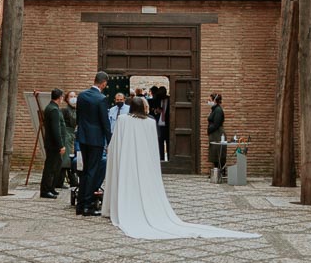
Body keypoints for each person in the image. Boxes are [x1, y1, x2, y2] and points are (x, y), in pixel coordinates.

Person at [102, 97, 259, 240]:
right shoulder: (149, 122)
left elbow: (116, 143)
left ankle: (125, 206)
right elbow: (153, 147)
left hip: (126, 160)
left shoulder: (122, 120)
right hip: (144, 162)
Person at [76, 71, 112, 216]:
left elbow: (78, 117)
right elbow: (105, 123)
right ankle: (87, 205)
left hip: (83, 138)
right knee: (92, 171)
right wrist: (110, 141)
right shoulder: (101, 99)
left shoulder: (82, 96)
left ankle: (80, 205)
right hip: (96, 140)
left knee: (85, 171)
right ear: (103, 83)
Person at [40, 89, 67, 199]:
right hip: (53, 145)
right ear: (60, 97)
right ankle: (45, 190)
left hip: (52, 144)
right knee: (50, 167)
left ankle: (51, 187)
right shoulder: (54, 110)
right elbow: (56, 129)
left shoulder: (51, 107)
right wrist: (60, 145)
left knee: (56, 166)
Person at [60, 91, 79, 188]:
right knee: (66, 158)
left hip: (72, 135)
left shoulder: (76, 110)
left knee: (70, 158)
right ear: (67, 99)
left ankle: (73, 180)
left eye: (75, 96)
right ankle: (60, 181)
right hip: (66, 135)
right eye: (71, 96)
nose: (73, 98)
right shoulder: (65, 111)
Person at [207, 93, 226, 173]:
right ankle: (216, 172)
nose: (208, 101)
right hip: (214, 134)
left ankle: (220, 172)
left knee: (218, 153)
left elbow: (216, 124)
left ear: (215, 100)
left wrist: (209, 130)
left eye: (210, 100)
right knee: (214, 154)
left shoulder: (218, 110)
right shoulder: (214, 109)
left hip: (217, 134)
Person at [152, 85, 170, 162]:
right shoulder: (157, 100)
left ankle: (170, 159)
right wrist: (156, 111)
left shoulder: (170, 100)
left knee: (169, 142)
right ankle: (161, 159)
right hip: (159, 124)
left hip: (168, 125)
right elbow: (153, 111)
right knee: (160, 142)